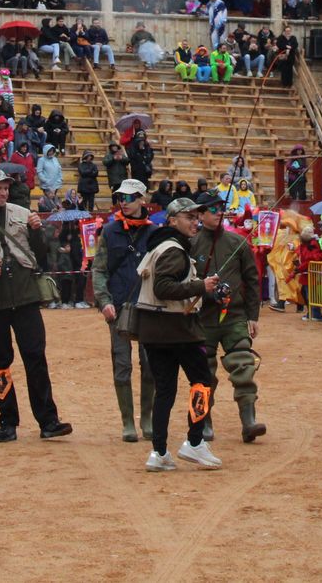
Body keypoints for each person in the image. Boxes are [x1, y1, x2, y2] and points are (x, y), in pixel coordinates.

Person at [0, 167, 73, 443]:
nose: (3, 192)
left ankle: (48, 420)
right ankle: (7, 421)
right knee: (1, 362)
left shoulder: (23, 215)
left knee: (36, 358)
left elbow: (41, 255)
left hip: (25, 296)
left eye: (6, 188)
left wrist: (36, 232)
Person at [134, 197, 224, 472]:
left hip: (153, 330)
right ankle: (194, 442)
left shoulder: (158, 246)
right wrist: (201, 286)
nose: (195, 222)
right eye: (189, 217)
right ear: (172, 220)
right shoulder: (174, 250)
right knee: (203, 382)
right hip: (177, 330)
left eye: (196, 217)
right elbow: (164, 288)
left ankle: (159, 452)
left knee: (165, 391)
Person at [190, 193, 265, 443]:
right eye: (211, 210)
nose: (217, 213)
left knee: (244, 366)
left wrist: (253, 316)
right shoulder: (190, 245)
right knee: (202, 373)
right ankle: (202, 423)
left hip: (234, 316)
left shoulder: (238, 242)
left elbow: (252, 281)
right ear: (200, 215)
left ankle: (249, 421)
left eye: (221, 208)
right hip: (201, 319)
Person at [91, 179, 157, 443]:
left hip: (150, 306)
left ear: (142, 199)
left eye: (129, 198)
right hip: (118, 306)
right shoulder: (110, 231)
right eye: (120, 197)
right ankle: (128, 422)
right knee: (121, 364)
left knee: (150, 365)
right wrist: (103, 300)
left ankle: (147, 419)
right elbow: (99, 269)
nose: (124, 202)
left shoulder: (155, 232)